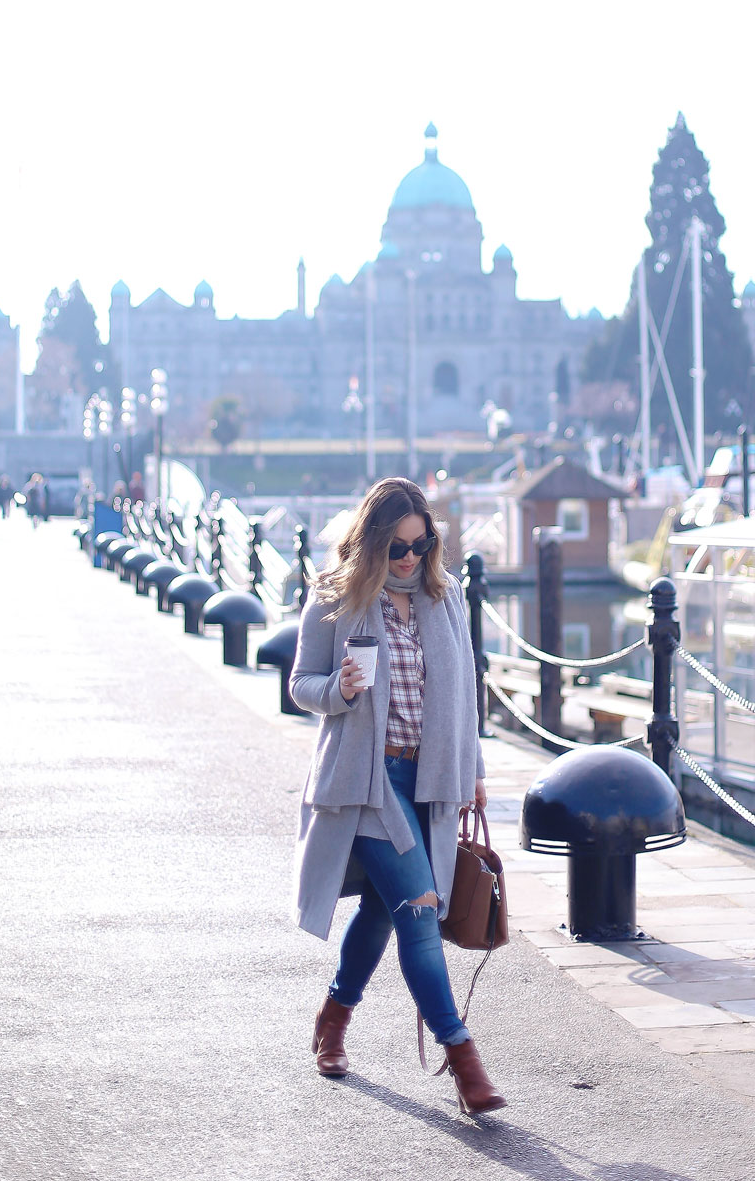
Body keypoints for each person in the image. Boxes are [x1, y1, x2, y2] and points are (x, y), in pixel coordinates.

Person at [290, 477, 506, 1116]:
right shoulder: (336, 599)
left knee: (386, 912)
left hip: (431, 782)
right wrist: (341, 690)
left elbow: (466, 696)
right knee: (418, 910)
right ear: (373, 541)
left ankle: (333, 1015)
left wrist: (475, 769)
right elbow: (301, 684)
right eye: (398, 547)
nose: (410, 558)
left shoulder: (444, 599)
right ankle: (463, 1058)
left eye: (421, 544)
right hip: (367, 783)